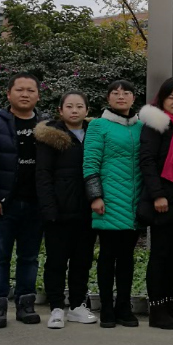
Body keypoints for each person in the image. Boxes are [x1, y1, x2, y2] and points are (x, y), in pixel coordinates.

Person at [0, 72, 47, 328]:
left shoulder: (46, 124)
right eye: (20, 89)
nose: (25, 94)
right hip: (3, 204)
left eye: (31, 90)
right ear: (9, 94)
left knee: (29, 257)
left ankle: (25, 304)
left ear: (38, 95)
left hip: (35, 204)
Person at [36, 91, 98, 329]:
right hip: (59, 211)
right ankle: (56, 308)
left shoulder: (94, 134)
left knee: (82, 260)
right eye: (69, 106)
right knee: (56, 261)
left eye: (79, 106)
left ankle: (77, 306)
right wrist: (49, 208)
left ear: (87, 110)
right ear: (60, 111)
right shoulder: (51, 136)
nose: (74, 110)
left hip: (87, 209)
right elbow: (43, 174)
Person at [83, 80, 143, 329]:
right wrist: (95, 196)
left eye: (126, 92)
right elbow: (90, 162)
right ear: (108, 98)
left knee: (127, 257)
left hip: (134, 202)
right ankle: (107, 307)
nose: (121, 96)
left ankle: (124, 307)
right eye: (115, 93)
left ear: (133, 98)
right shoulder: (98, 125)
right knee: (108, 256)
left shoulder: (141, 126)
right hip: (108, 200)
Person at [138, 78, 173, 330]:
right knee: (160, 255)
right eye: (171, 97)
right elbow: (147, 161)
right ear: (162, 100)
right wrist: (157, 195)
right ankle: (156, 310)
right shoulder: (156, 123)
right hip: (161, 198)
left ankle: (167, 303)